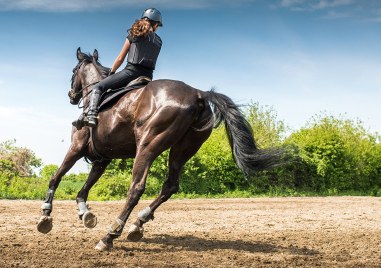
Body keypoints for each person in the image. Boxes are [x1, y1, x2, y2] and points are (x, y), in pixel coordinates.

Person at [73, 8, 163, 128]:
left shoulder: (135, 33)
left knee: (98, 87)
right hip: (148, 77)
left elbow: (120, 58)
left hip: (131, 73)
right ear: (156, 24)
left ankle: (91, 115)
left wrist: (112, 72)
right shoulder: (159, 41)